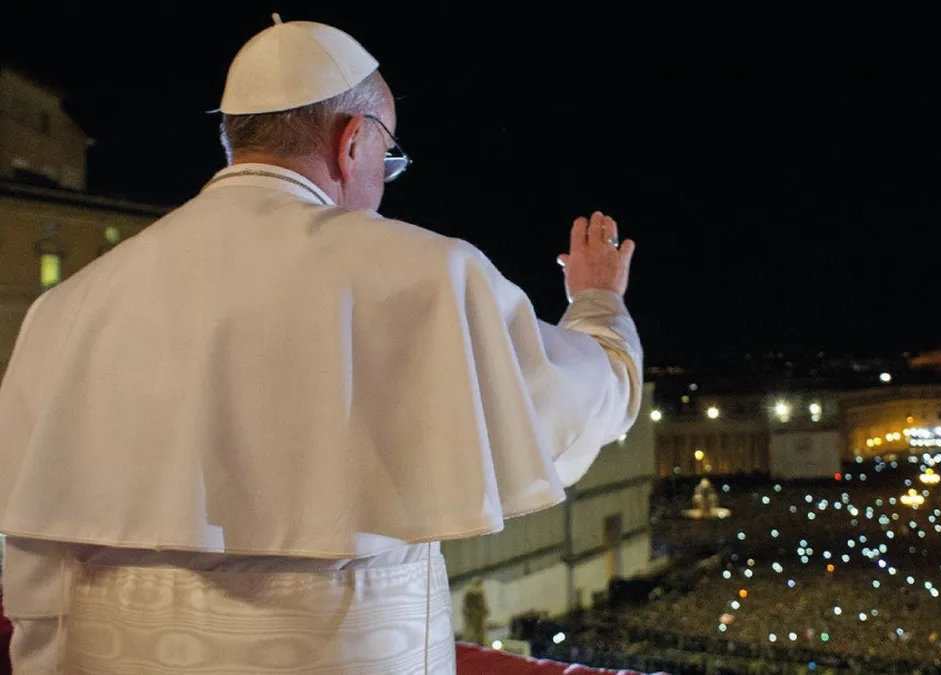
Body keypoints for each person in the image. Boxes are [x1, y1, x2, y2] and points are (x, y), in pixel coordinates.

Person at [0, 14, 641, 675]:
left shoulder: (66, 308)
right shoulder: (430, 276)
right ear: (352, 141)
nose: (382, 183)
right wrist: (598, 301)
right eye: (387, 160)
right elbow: (579, 403)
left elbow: (36, 585)